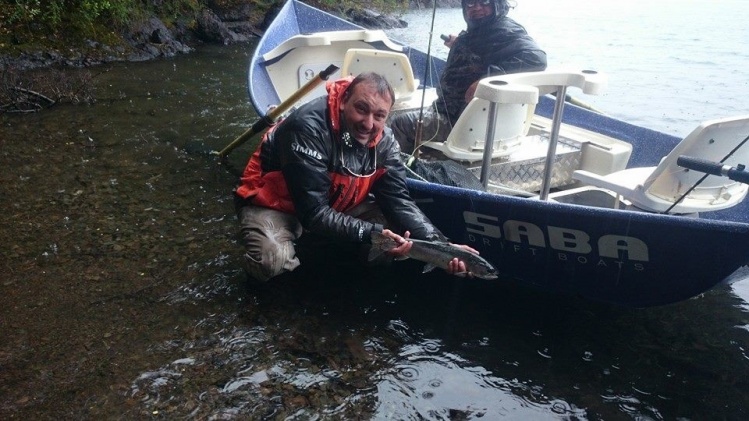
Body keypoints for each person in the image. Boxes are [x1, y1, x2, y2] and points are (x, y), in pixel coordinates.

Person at [233, 72, 479, 282]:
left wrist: (443, 246)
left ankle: (360, 277)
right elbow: (313, 214)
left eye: (379, 115)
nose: (368, 123)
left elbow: (397, 200)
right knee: (270, 260)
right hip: (279, 205)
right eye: (361, 109)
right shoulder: (307, 128)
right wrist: (372, 233)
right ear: (343, 101)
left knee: (397, 233)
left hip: (337, 206)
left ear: (387, 116)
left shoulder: (386, 142)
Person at [389, 0, 547, 153]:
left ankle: (399, 173)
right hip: (450, 110)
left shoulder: (505, 30)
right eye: (470, 3)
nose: (477, 8)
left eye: (484, 2)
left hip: (459, 122)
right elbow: (486, 50)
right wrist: (460, 43)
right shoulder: (484, 31)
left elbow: (537, 58)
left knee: (401, 124)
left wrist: (486, 80)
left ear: (497, 4)